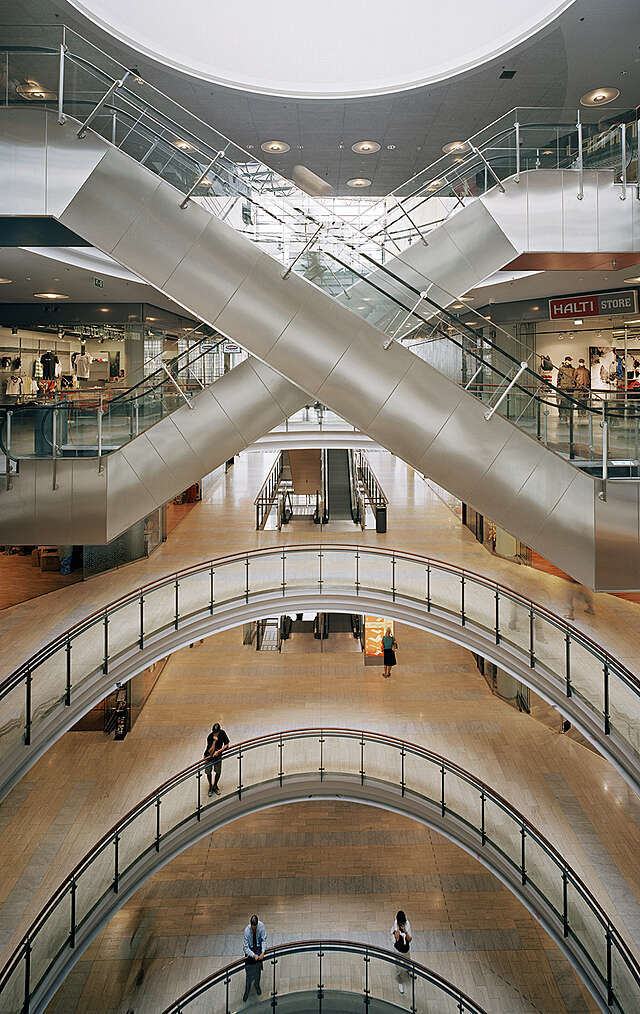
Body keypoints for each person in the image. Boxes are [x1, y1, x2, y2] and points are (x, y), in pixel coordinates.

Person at [243, 914, 267, 1002]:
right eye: (253, 928)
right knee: (248, 973)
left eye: (255, 928)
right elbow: (245, 948)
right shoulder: (247, 931)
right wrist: (253, 955)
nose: (254, 929)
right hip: (250, 950)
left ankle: (257, 985)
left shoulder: (261, 926)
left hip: (257, 948)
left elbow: (263, 940)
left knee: (258, 971)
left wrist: (263, 952)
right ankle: (247, 990)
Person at [203, 722, 229, 796]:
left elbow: (227, 745)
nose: (215, 735)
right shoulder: (210, 737)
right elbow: (210, 752)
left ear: (219, 731)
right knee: (208, 772)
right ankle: (210, 786)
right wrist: (214, 742)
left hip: (218, 756)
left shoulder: (222, 733)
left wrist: (219, 751)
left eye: (216, 733)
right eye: (214, 733)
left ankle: (215, 785)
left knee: (218, 771)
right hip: (208, 757)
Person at [391, 910, 412, 994]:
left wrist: (405, 931)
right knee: (398, 967)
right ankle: (400, 982)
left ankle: (408, 970)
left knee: (408, 961)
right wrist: (398, 930)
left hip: (406, 949)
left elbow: (409, 939)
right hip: (397, 949)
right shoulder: (396, 924)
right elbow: (397, 939)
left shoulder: (407, 924)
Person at [556, 356, 575, 423]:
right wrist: (558, 385)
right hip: (563, 387)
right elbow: (559, 378)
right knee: (563, 402)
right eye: (569, 360)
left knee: (570, 402)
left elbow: (574, 378)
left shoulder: (572, 369)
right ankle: (562, 415)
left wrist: (574, 386)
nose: (570, 362)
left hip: (571, 388)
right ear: (566, 361)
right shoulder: (561, 368)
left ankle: (568, 415)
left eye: (570, 361)